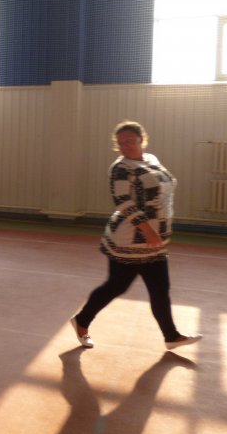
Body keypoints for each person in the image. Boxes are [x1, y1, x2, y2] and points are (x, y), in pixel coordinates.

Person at [70, 121, 202, 350]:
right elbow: (124, 203)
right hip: (129, 239)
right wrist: (148, 230)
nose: (125, 146)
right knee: (116, 287)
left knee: (160, 289)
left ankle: (171, 336)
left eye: (130, 141)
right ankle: (81, 321)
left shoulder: (151, 160)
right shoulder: (120, 169)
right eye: (121, 143)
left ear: (142, 140)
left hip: (155, 240)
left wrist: (158, 229)